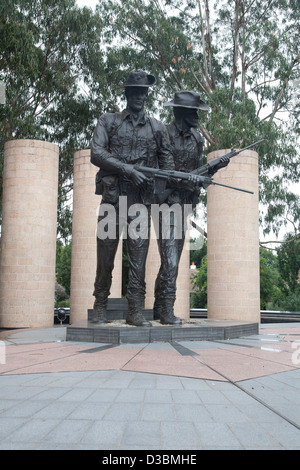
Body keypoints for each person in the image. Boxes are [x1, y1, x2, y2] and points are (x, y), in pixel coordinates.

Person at [90, 70, 175, 327]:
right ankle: (101, 303)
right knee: (105, 255)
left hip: (139, 201)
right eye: (135, 91)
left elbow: (167, 165)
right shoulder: (109, 121)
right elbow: (96, 152)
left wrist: (162, 187)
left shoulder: (157, 128)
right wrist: (127, 169)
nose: (140, 96)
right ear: (127, 93)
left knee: (138, 257)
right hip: (113, 199)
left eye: (144, 92)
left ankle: (135, 309)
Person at [153, 91, 230, 324]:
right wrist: (187, 179)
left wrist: (214, 168)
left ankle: (158, 308)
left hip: (184, 204)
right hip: (166, 204)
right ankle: (166, 310)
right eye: (193, 111)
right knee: (172, 261)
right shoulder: (162, 134)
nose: (197, 116)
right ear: (180, 112)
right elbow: (158, 171)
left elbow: (199, 172)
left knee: (171, 258)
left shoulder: (197, 139)